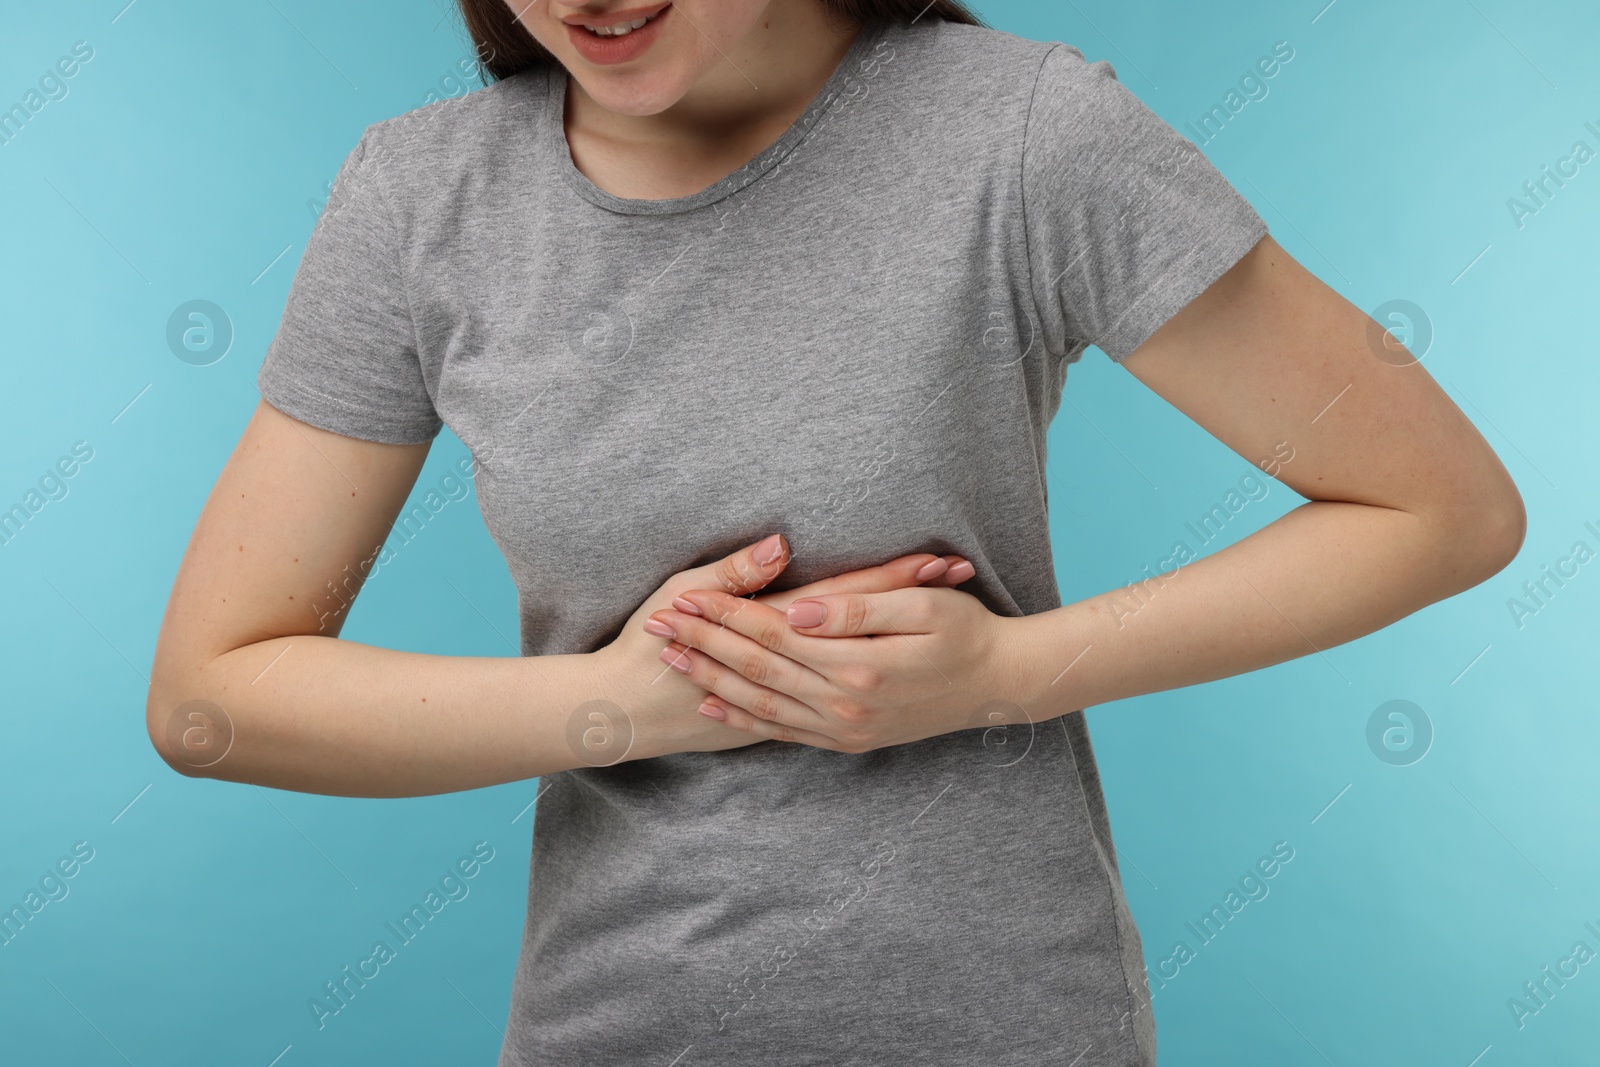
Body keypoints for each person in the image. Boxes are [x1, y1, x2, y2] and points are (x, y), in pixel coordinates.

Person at [147, 0, 1527, 1062]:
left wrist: (1001, 672)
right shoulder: (418, 200)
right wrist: (619, 707)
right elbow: (213, 698)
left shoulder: (1024, 135)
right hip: (610, 1028)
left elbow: (1442, 509)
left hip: (1004, 1026)